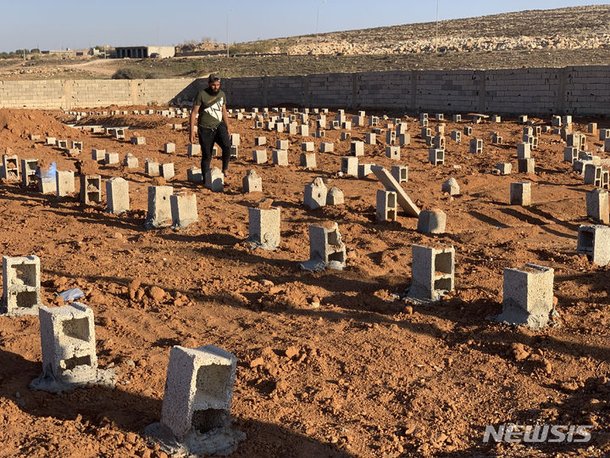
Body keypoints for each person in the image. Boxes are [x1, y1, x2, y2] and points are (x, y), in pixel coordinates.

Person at [189, 74, 231, 177]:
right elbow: (194, 113)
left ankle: (225, 169)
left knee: (227, 146)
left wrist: (228, 126)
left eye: (218, 85)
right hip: (205, 129)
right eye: (213, 85)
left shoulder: (222, 94)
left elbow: (224, 111)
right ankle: (206, 178)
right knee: (207, 155)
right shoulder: (201, 94)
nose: (216, 87)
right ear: (209, 84)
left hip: (219, 126)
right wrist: (191, 131)